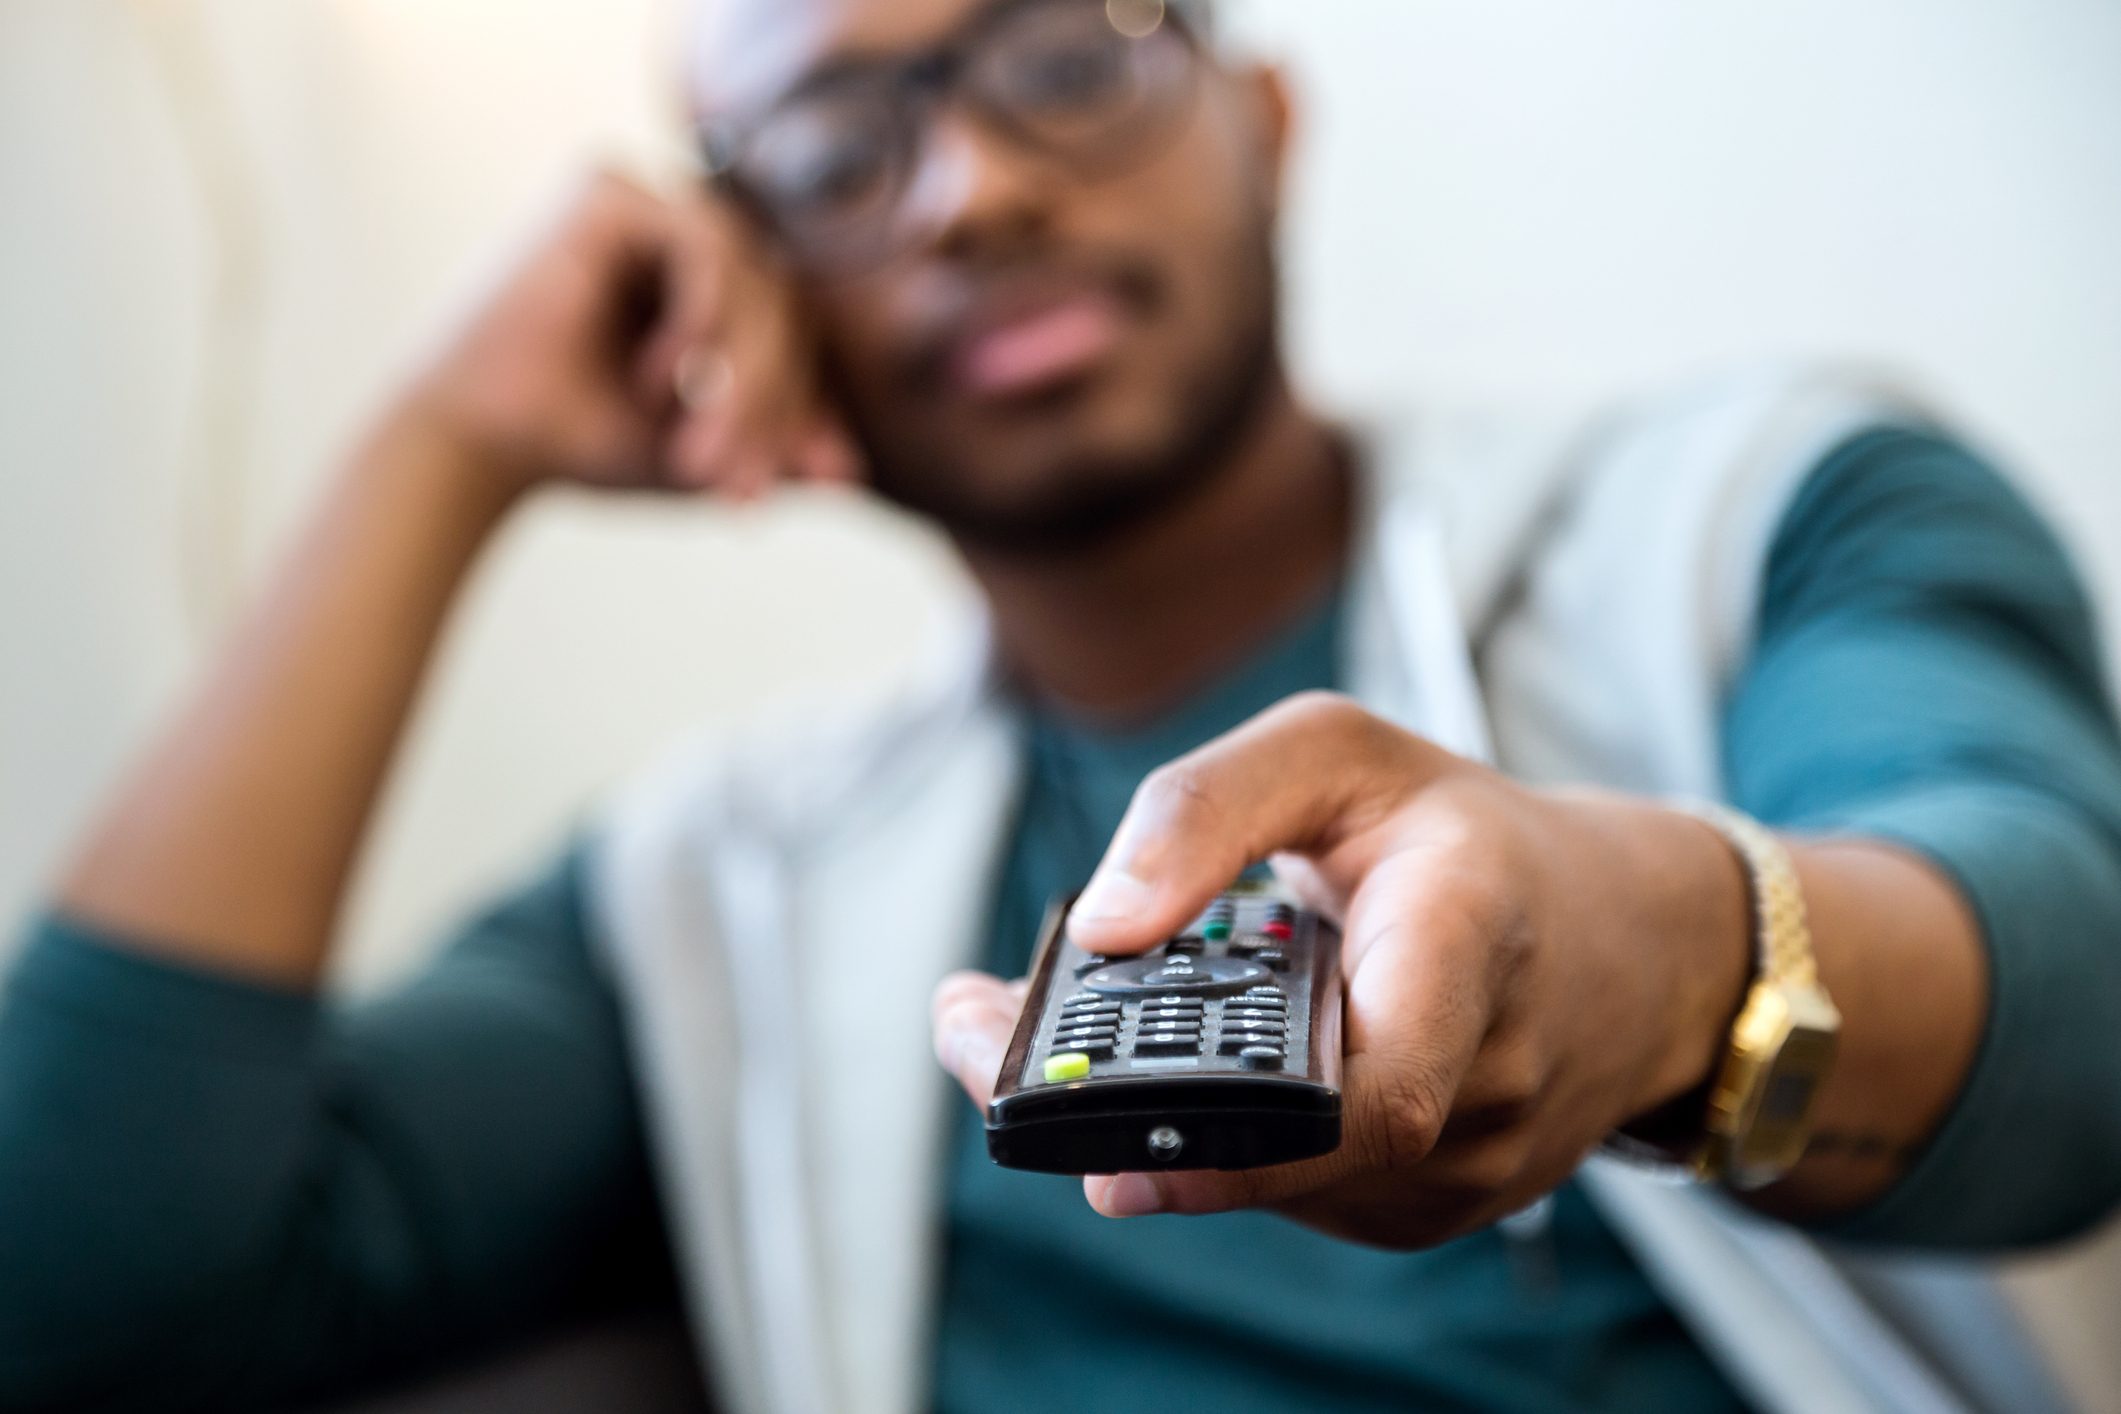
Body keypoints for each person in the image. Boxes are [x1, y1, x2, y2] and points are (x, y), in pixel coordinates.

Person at [3, 0, 2119, 1409]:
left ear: (1263, 119)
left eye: (1064, 52)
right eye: (836, 147)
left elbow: (2075, 977)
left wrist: (1667, 961)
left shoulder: (1763, 511)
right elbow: (89, 1291)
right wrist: (433, 454)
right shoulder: (712, 886)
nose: (975, 188)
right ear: (738, 283)